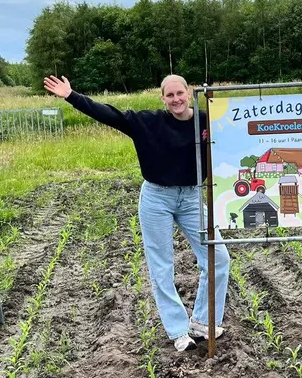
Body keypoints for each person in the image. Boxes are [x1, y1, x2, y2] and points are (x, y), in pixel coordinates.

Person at [43, 74, 229, 352]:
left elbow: (244, 130)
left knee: (219, 257)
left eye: (180, 93)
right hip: (157, 198)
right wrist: (72, 96)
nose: (176, 100)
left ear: (189, 93)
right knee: (162, 266)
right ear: (163, 98)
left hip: (191, 197)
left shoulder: (208, 120)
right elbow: (110, 115)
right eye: (170, 95)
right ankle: (178, 330)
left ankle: (203, 321)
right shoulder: (148, 122)